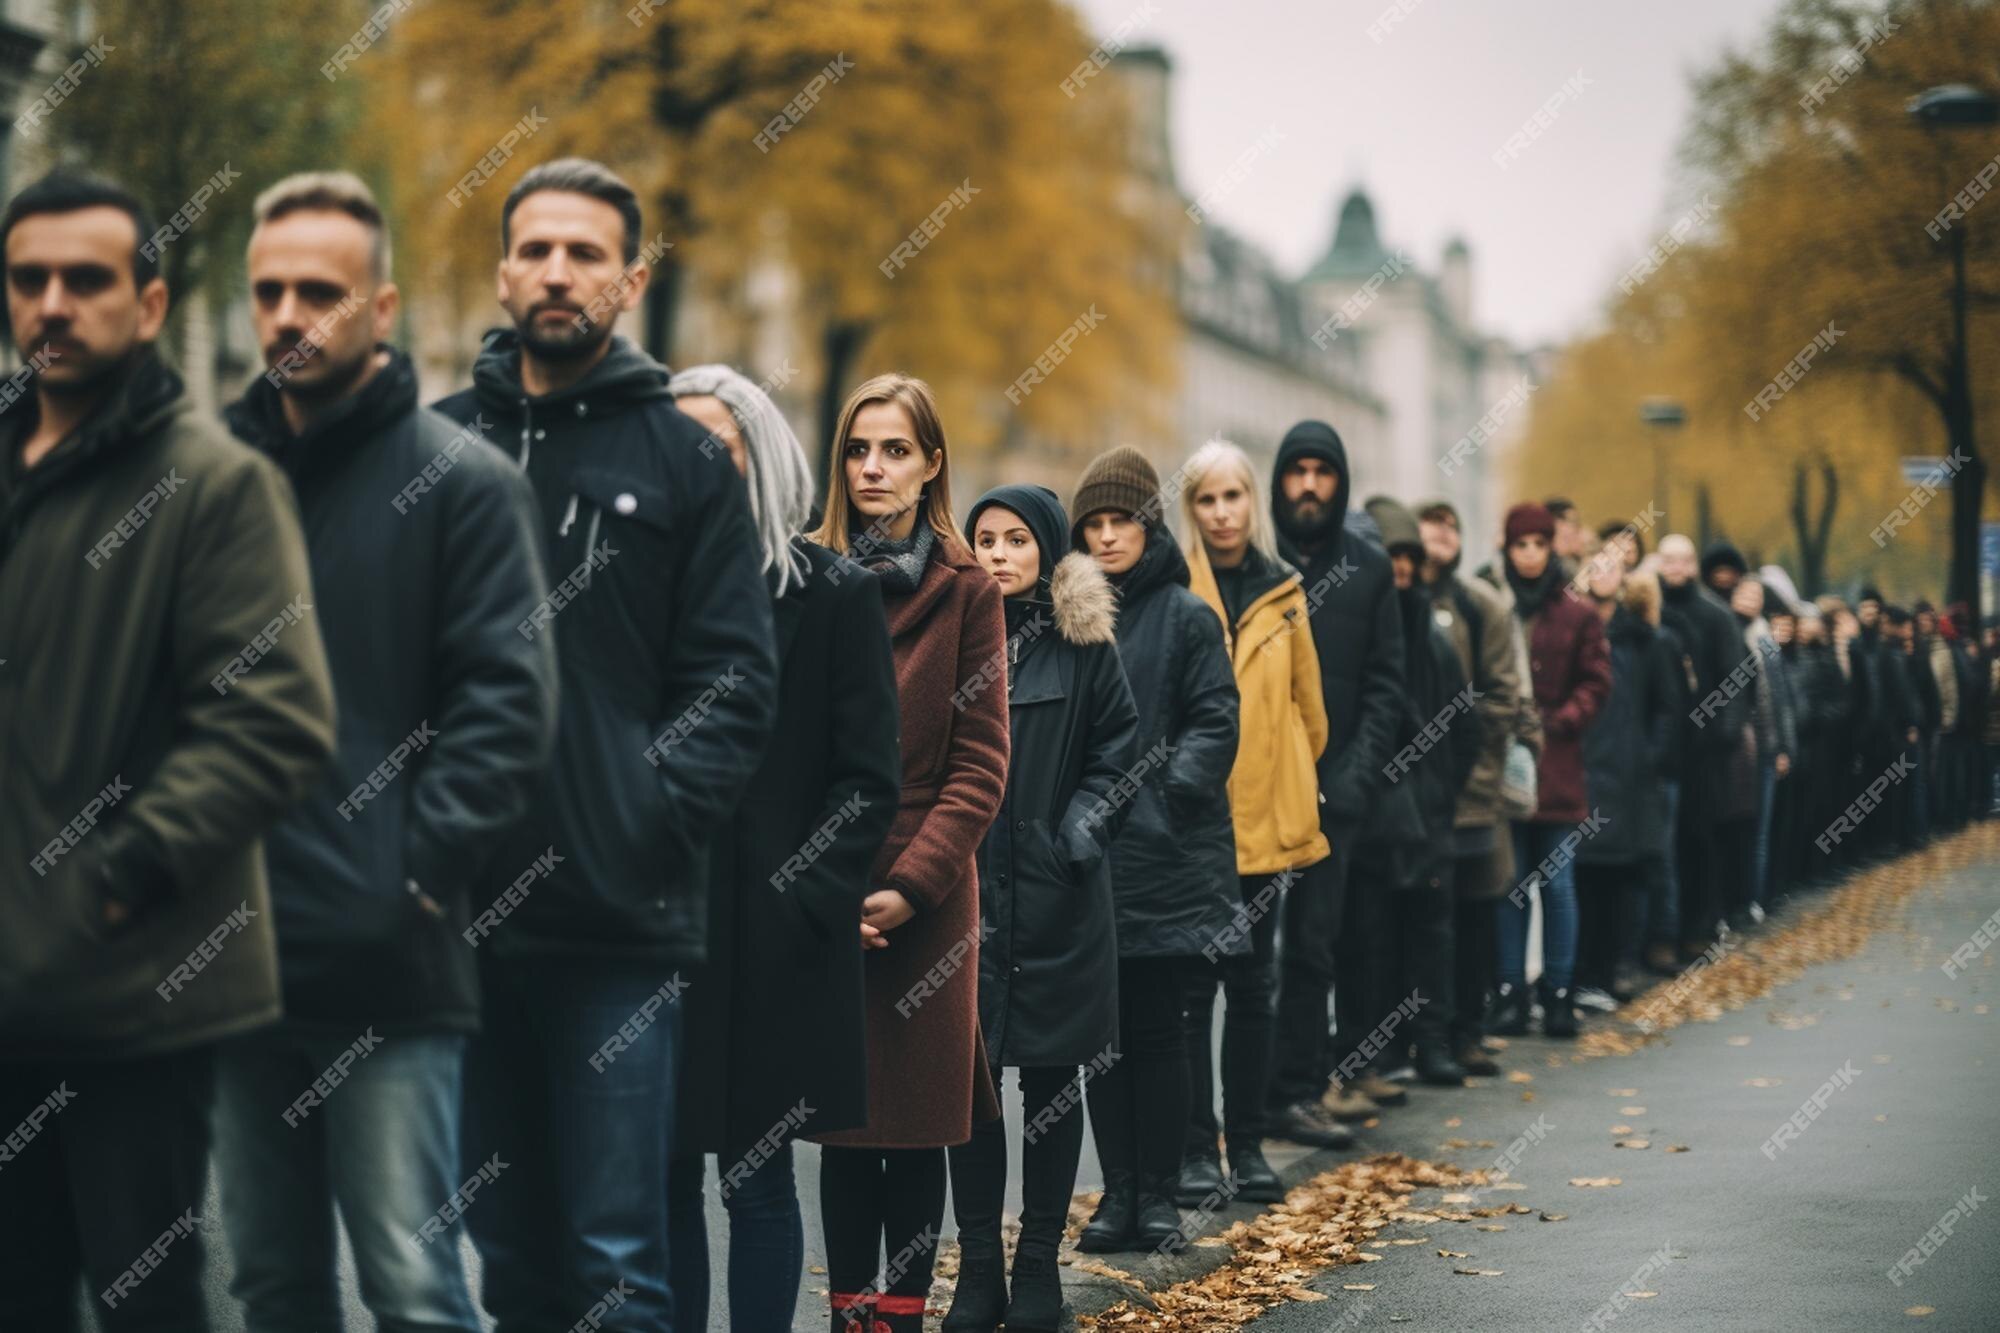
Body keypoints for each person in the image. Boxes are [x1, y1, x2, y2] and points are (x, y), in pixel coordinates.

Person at [433, 158, 778, 1331]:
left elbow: (734, 678)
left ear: (629, 279)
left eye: (585, 252)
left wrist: (641, 814)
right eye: (535, 249)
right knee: (508, 1259)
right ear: (501, 269)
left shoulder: (682, 459)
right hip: (456, 925)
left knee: (619, 1267)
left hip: (617, 929)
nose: (556, 272)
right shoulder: (433, 446)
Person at [215, 172, 557, 1333]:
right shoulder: (211, 477)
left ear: (382, 305)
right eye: (268, 290)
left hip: (390, 971)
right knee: (269, 1286)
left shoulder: (462, 487)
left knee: (412, 1289)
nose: (287, 313)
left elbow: (507, 711)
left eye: (319, 289)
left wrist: (408, 876)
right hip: (228, 960)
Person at [0, 171, 338, 1329]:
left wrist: (121, 877)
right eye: (29, 278)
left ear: (147, 305)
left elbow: (272, 717)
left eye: (85, 280)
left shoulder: (214, 487)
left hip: (134, 991)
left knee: (145, 1298)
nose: (53, 303)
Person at [664, 366, 899, 1333]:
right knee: (660, 1182)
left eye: (715, 444)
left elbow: (867, 775)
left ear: (758, 456)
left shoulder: (832, 591)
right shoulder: (631, 585)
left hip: (773, 944)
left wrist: (804, 898)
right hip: (655, 935)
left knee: (755, 1186)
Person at [805, 374, 1009, 1330]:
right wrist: (824, 882)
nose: (873, 468)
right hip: (825, 883)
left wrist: (911, 886)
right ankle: (853, 1318)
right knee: (843, 1129)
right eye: (858, 449)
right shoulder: (805, 576)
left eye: (894, 450)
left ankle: (900, 1318)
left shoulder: (969, 589)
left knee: (918, 1126)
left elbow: (980, 765)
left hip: (928, 903)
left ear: (932, 463)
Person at [946, 483, 1138, 1332]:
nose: (996, 553)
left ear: (1048, 551)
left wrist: (1079, 832)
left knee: (1053, 1083)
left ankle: (1038, 1273)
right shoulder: (952, 636)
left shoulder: (1086, 645)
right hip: (968, 902)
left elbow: (1120, 750)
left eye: (1016, 539)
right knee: (970, 1087)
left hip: (1060, 898)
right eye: (983, 537)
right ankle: (977, 1271)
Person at [1069, 444, 1241, 1253]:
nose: (1107, 538)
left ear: (1149, 526)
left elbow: (1216, 718)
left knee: (1163, 1029)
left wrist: (1167, 790)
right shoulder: (1070, 613)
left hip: (1170, 858)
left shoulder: (1187, 614)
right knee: (1102, 1039)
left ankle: (1164, 1193)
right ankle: (1117, 1193)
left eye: (1121, 522)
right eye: (1093, 524)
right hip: (1094, 858)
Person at [1175, 442, 1328, 1209]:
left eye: (1234, 495)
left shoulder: (1284, 590)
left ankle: (1252, 1143)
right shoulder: (1175, 589)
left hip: (1268, 821)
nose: (1223, 512)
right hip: (1196, 826)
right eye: (1207, 499)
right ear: (1190, 509)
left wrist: (1287, 769)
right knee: (1195, 990)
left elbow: (1312, 711)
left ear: (1251, 503)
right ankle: (1199, 1151)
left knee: (1255, 984)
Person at [1266, 421, 1405, 1139]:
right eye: (1297, 471)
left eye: (1322, 471)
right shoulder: (1253, 563)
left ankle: (1296, 1087)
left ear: (1340, 480)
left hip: (1334, 799)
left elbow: (1388, 684)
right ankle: (1250, 1092)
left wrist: (1352, 777)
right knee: (1249, 952)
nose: (1309, 485)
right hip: (1255, 794)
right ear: (1279, 481)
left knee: (1316, 945)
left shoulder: (1369, 570)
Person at [1417, 500, 1538, 1074]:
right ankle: (1417, 1039)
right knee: (1418, 923)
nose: (1439, 535)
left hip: (1471, 796)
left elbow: (1502, 699)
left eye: (1451, 526)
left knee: (1472, 919)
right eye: (1429, 525)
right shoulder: (1392, 599)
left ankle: (1465, 1031)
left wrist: (1472, 781)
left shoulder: (1480, 604)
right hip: (1409, 802)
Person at [1362, 496, 1477, 1078]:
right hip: (1376, 815)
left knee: (1431, 932)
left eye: (1409, 555)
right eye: (1392, 554)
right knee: (1377, 937)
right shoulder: (1360, 628)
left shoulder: (1432, 639)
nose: (1402, 566)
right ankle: (1380, 1050)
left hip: (1427, 814)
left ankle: (1430, 1043)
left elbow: (1465, 724)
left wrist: (1438, 791)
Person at [1490, 503, 1610, 1039]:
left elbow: (1597, 681)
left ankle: (1559, 994)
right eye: (1522, 545)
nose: (1532, 555)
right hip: (1505, 770)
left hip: (1558, 769)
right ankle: (1512, 994)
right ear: (1509, 549)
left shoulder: (1577, 613)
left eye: (1540, 544)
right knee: (1510, 886)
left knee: (1557, 887)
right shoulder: (1495, 606)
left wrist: (1562, 719)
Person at [1573, 566, 1674, 1006]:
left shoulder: (1645, 641)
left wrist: (1646, 758)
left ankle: (1613, 968)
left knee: (1622, 878)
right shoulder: (1572, 630)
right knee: (1580, 879)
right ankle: (1580, 974)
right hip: (1581, 772)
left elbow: (1667, 709)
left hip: (1629, 779)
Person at [1656, 534, 1749, 956]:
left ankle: (1699, 928)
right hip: (1663, 748)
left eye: (1683, 560)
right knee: (1662, 846)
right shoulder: (1650, 610)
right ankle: (1663, 933)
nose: (1676, 568)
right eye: (1668, 560)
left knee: (1702, 841)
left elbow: (1735, 675)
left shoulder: (1715, 616)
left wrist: (1722, 733)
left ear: (1693, 566)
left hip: (1705, 751)